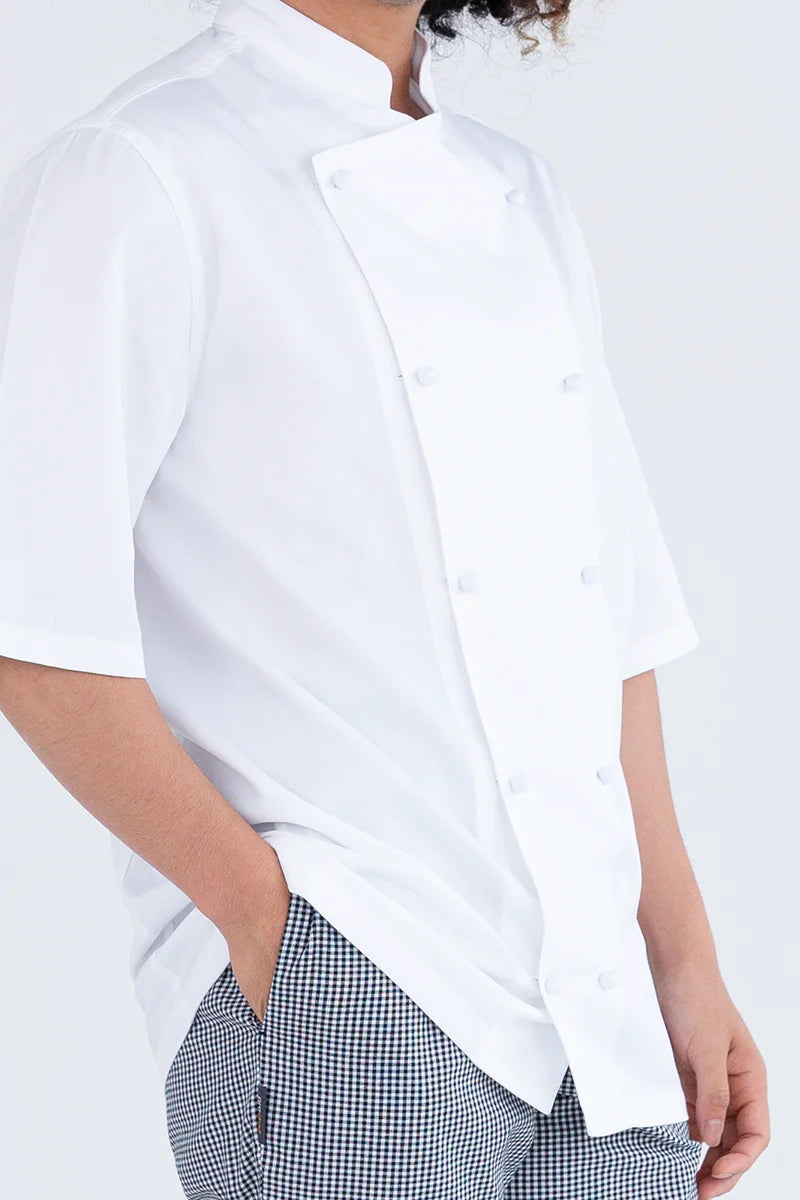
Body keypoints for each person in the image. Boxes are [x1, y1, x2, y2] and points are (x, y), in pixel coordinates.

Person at [0, 1, 769, 1197]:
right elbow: (35, 630)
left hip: (600, 1012)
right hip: (357, 971)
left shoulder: (518, 191)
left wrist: (682, 958)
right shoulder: (141, 169)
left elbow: (605, 617)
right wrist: (271, 924)